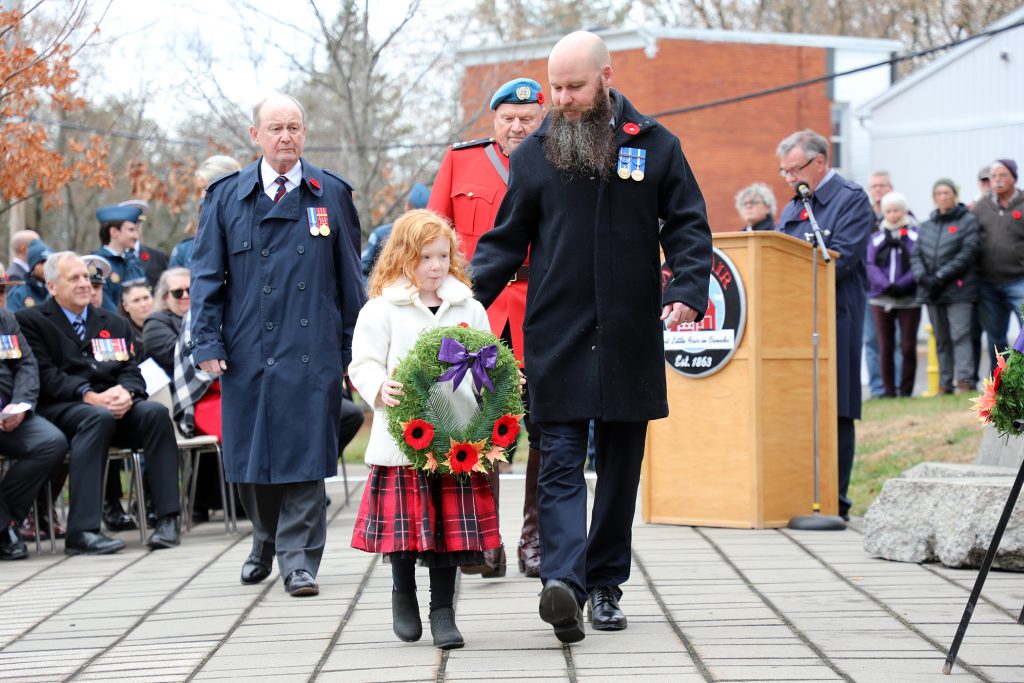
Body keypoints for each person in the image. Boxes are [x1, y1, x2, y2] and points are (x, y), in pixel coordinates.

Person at [470, 32, 712, 643]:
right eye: (556, 86)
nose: (562, 98)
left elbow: (688, 224)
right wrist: (458, 303)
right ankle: (565, 584)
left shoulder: (655, 146)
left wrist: (687, 289)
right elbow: (503, 243)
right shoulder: (536, 156)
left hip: (630, 336)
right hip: (557, 337)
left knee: (620, 471)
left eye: (574, 86)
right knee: (558, 464)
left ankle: (604, 585)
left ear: (606, 75)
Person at [190, 93, 365, 597]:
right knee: (250, 457)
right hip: (247, 347)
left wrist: (356, 352)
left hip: (314, 347)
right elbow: (205, 277)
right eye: (276, 128)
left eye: (294, 128)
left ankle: (299, 561)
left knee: (308, 456)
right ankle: (264, 540)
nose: (286, 137)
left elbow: (350, 279)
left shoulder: (330, 193)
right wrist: (206, 339)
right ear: (255, 136)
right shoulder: (226, 196)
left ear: (304, 133)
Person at [349, 209, 499, 650]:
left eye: (442, 256)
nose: (436, 266)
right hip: (403, 439)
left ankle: (442, 611)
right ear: (403, 257)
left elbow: (487, 355)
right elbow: (363, 362)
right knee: (405, 530)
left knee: (447, 535)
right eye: (425, 257)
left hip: (454, 436)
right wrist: (379, 386)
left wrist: (497, 378)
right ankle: (403, 593)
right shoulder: (381, 309)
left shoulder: (467, 306)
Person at [428, 76, 545, 579]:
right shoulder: (461, 160)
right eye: (508, 119)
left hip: (541, 307)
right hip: (479, 308)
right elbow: (432, 231)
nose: (517, 126)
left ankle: (535, 538)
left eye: (527, 119)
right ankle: (485, 536)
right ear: (493, 120)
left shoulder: (557, 159)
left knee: (544, 426)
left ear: (542, 120)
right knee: (480, 426)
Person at [16, 252, 182, 554]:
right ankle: (82, 531)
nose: (85, 284)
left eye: (87, 278)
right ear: (52, 286)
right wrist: (90, 396)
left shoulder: (112, 323)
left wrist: (127, 394)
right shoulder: (31, 321)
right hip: (63, 409)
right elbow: (44, 375)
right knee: (97, 418)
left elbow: (131, 370)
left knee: (156, 414)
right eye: (75, 278)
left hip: (114, 406)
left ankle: (168, 519)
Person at [776, 129, 873, 522]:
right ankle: (797, 491)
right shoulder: (792, 206)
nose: (786, 178)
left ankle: (837, 500)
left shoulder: (850, 200)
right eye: (782, 171)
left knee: (837, 406)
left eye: (792, 170)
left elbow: (843, 258)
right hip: (793, 321)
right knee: (797, 406)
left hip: (837, 318)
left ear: (819, 162)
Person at [0, 266, 69, 561]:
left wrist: (21, 405)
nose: (1, 296)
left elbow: (26, 364)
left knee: (51, 442)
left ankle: (5, 520)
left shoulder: (5, 320)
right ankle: (6, 531)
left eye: (2, 290)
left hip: (11, 414)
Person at [911, 178, 979, 394]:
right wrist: (923, 277)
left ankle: (965, 381)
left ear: (954, 195)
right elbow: (916, 254)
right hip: (933, 291)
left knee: (960, 335)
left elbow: (967, 253)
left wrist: (940, 276)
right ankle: (944, 383)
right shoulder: (927, 225)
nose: (943, 197)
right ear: (934, 198)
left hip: (959, 290)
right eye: (938, 193)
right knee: (941, 339)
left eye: (946, 192)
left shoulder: (967, 221)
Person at [865, 192, 920, 398]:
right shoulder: (877, 237)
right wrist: (886, 285)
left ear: (904, 211)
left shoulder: (915, 235)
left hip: (909, 298)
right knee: (885, 346)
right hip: (881, 297)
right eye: (888, 211)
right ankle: (888, 391)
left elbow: (918, 261)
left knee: (907, 345)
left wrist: (903, 284)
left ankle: (906, 390)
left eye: (897, 210)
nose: (893, 215)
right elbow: (871, 264)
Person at [974, 159, 1024, 371]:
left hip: (1019, 279)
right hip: (989, 283)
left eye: (1002, 175)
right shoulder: (981, 206)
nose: (997, 180)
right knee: (995, 337)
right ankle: (999, 383)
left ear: (1014, 177)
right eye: (993, 176)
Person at [170, 155, 243, 270]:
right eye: (200, 190)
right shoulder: (186, 248)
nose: (202, 195)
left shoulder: (251, 224)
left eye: (206, 188)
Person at [360, 183, 430, 284]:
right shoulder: (381, 235)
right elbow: (360, 271)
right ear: (407, 208)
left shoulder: (430, 239)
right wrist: (374, 294)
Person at [93, 204, 148, 313]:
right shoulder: (96, 264)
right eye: (131, 230)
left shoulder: (133, 262)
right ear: (114, 232)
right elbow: (104, 305)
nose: (136, 236)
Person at [143, 268, 189, 377]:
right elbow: (180, 357)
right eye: (178, 292)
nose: (185, 296)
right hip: (178, 388)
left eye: (190, 290)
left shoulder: (205, 316)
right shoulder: (154, 324)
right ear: (165, 296)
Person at [118, 199, 169, 286]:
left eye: (138, 222)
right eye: (131, 223)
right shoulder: (110, 257)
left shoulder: (158, 257)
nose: (136, 226)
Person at [6, 239, 52, 312]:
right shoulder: (19, 293)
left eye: (50, 262)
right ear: (32, 266)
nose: (47, 266)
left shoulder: (57, 290)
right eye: (42, 262)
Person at [119, 282, 153, 363]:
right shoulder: (122, 334)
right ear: (125, 306)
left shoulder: (166, 325)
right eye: (136, 300)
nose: (143, 304)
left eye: (146, 298)